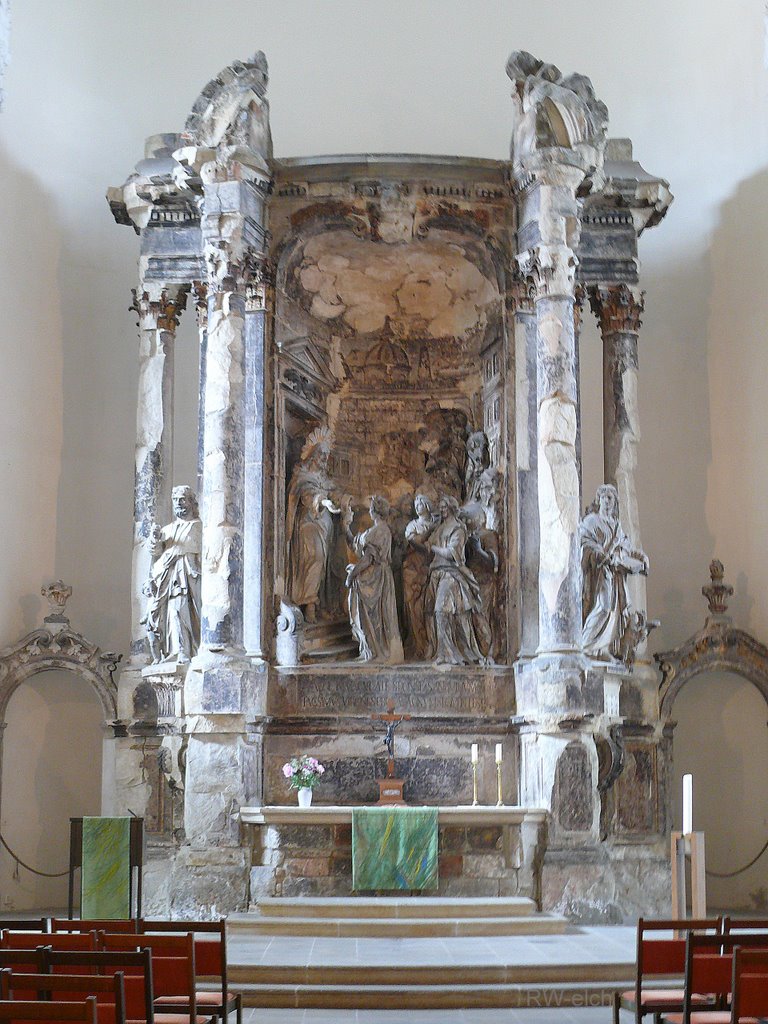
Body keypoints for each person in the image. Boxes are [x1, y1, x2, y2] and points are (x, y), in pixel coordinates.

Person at [580, 483, 649, 660]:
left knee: (614, 611)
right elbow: (584, 542)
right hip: (599, 573)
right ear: (599, 499)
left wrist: (640, 557)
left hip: (615, 574)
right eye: (605, 498)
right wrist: (601, 555)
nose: (608, 502)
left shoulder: (616, 525)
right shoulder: (591, 521)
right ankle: (585, 645)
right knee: (603, 607)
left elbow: (626, 546)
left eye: (612, 499)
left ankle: (602, 649)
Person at [285, 426, 344, 623]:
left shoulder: (323, 479)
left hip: (324, 526)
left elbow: (334, 492)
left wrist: (343, 499)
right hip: (307, 525)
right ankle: (306, 602)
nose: (325, 459)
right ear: (314, 454)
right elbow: (306, 495)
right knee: (314, 557)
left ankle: (314, 603)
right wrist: (323, 501)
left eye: (327, 456)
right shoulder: (302, 476)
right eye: (322, 455)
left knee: (323, 564)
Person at [421, 495, 488, 666]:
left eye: (444, 506)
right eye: (440, 507)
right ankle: (443, 653)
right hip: (436, 574)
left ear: (452, 507)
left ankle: (451, 654)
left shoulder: (458, 528)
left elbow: (452, 554)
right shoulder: (439, 527)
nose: (442, 510)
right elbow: (426, 546)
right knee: (434, 613)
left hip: (452, 574)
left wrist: (434, 548)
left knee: (441, 610)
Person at [143, 485, 202, 664]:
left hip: (187, 579)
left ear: (192, 502)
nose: (178, 503)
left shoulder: (198, 527)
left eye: (182, 499)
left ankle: (186, 651)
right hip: (165, 581)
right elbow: (156, 556)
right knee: (169, 615)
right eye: (175, 500)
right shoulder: (168, 529)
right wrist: (154, 540)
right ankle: (174, 652)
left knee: (181, 610)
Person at [344, 496, 404, 664]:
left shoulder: (379, 531)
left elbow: (368, 559)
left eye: (371, 507)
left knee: (374, 616)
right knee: (377, 614)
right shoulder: (381, 530)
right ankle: (373, 651)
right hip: (377, 576)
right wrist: (346, 526)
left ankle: (378, 652)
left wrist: (352, 574)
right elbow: (360, 549)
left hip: (376, 578)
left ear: (374, 511)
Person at [402, 493, 439, 658]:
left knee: (429, 609)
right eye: (415, 504)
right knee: (414, 610)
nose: (417, 506)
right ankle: (419, 644)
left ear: (428, 505)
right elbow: (414, 543)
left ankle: (432, 645)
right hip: (413, 571)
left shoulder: (437, 525)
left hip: (430, 570)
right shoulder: (412, 525)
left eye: (420, 503)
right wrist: (429, 532)